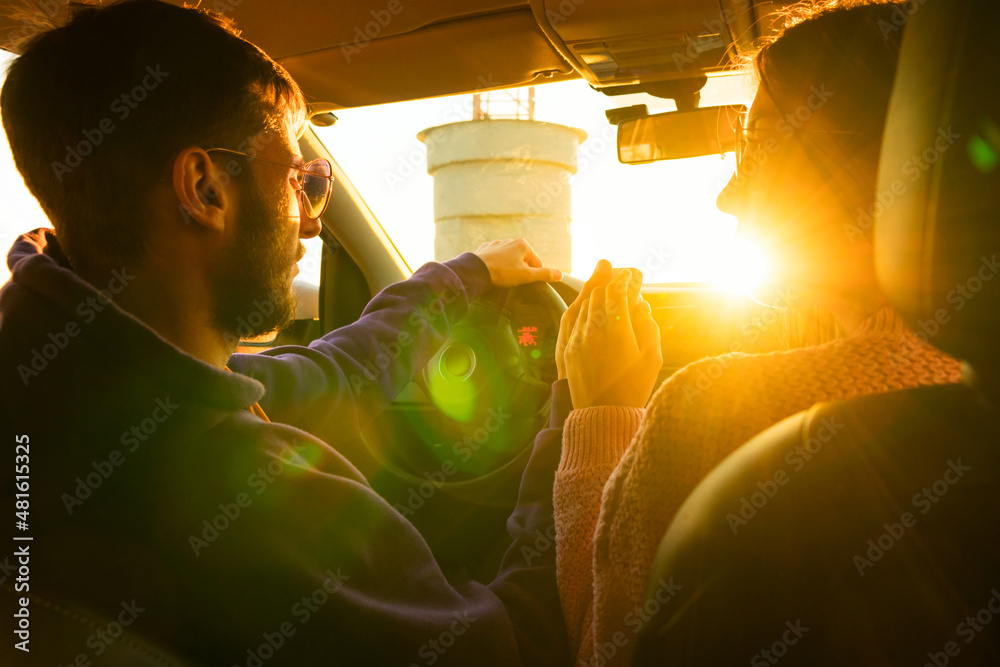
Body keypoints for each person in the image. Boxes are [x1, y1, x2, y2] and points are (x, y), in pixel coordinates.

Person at [0, 1, 582, 664]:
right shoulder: (245, 499)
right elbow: (520, 647)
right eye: (298, 179)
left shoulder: (73, 371)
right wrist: (585, 416)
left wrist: (464, 273)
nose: (309, 220)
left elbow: (332, 377)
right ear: (204, 188)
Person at [551, 2, 965, 666]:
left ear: (888, 165)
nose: (728, 195)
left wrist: (602, 411)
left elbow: (607, 648)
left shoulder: (711, 411)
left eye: (761, 142)